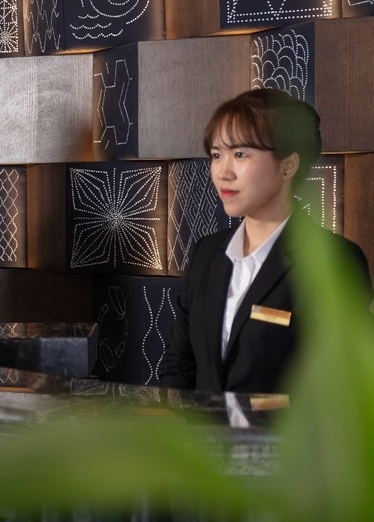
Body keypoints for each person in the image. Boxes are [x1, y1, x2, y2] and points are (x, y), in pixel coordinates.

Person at [159, 88, 372, 394]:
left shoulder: (334, 260)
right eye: (217, 155)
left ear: (288, 166)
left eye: (240, 154)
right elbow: (179, 361)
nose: (223, 172)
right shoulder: (207, 253)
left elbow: (341, 387)